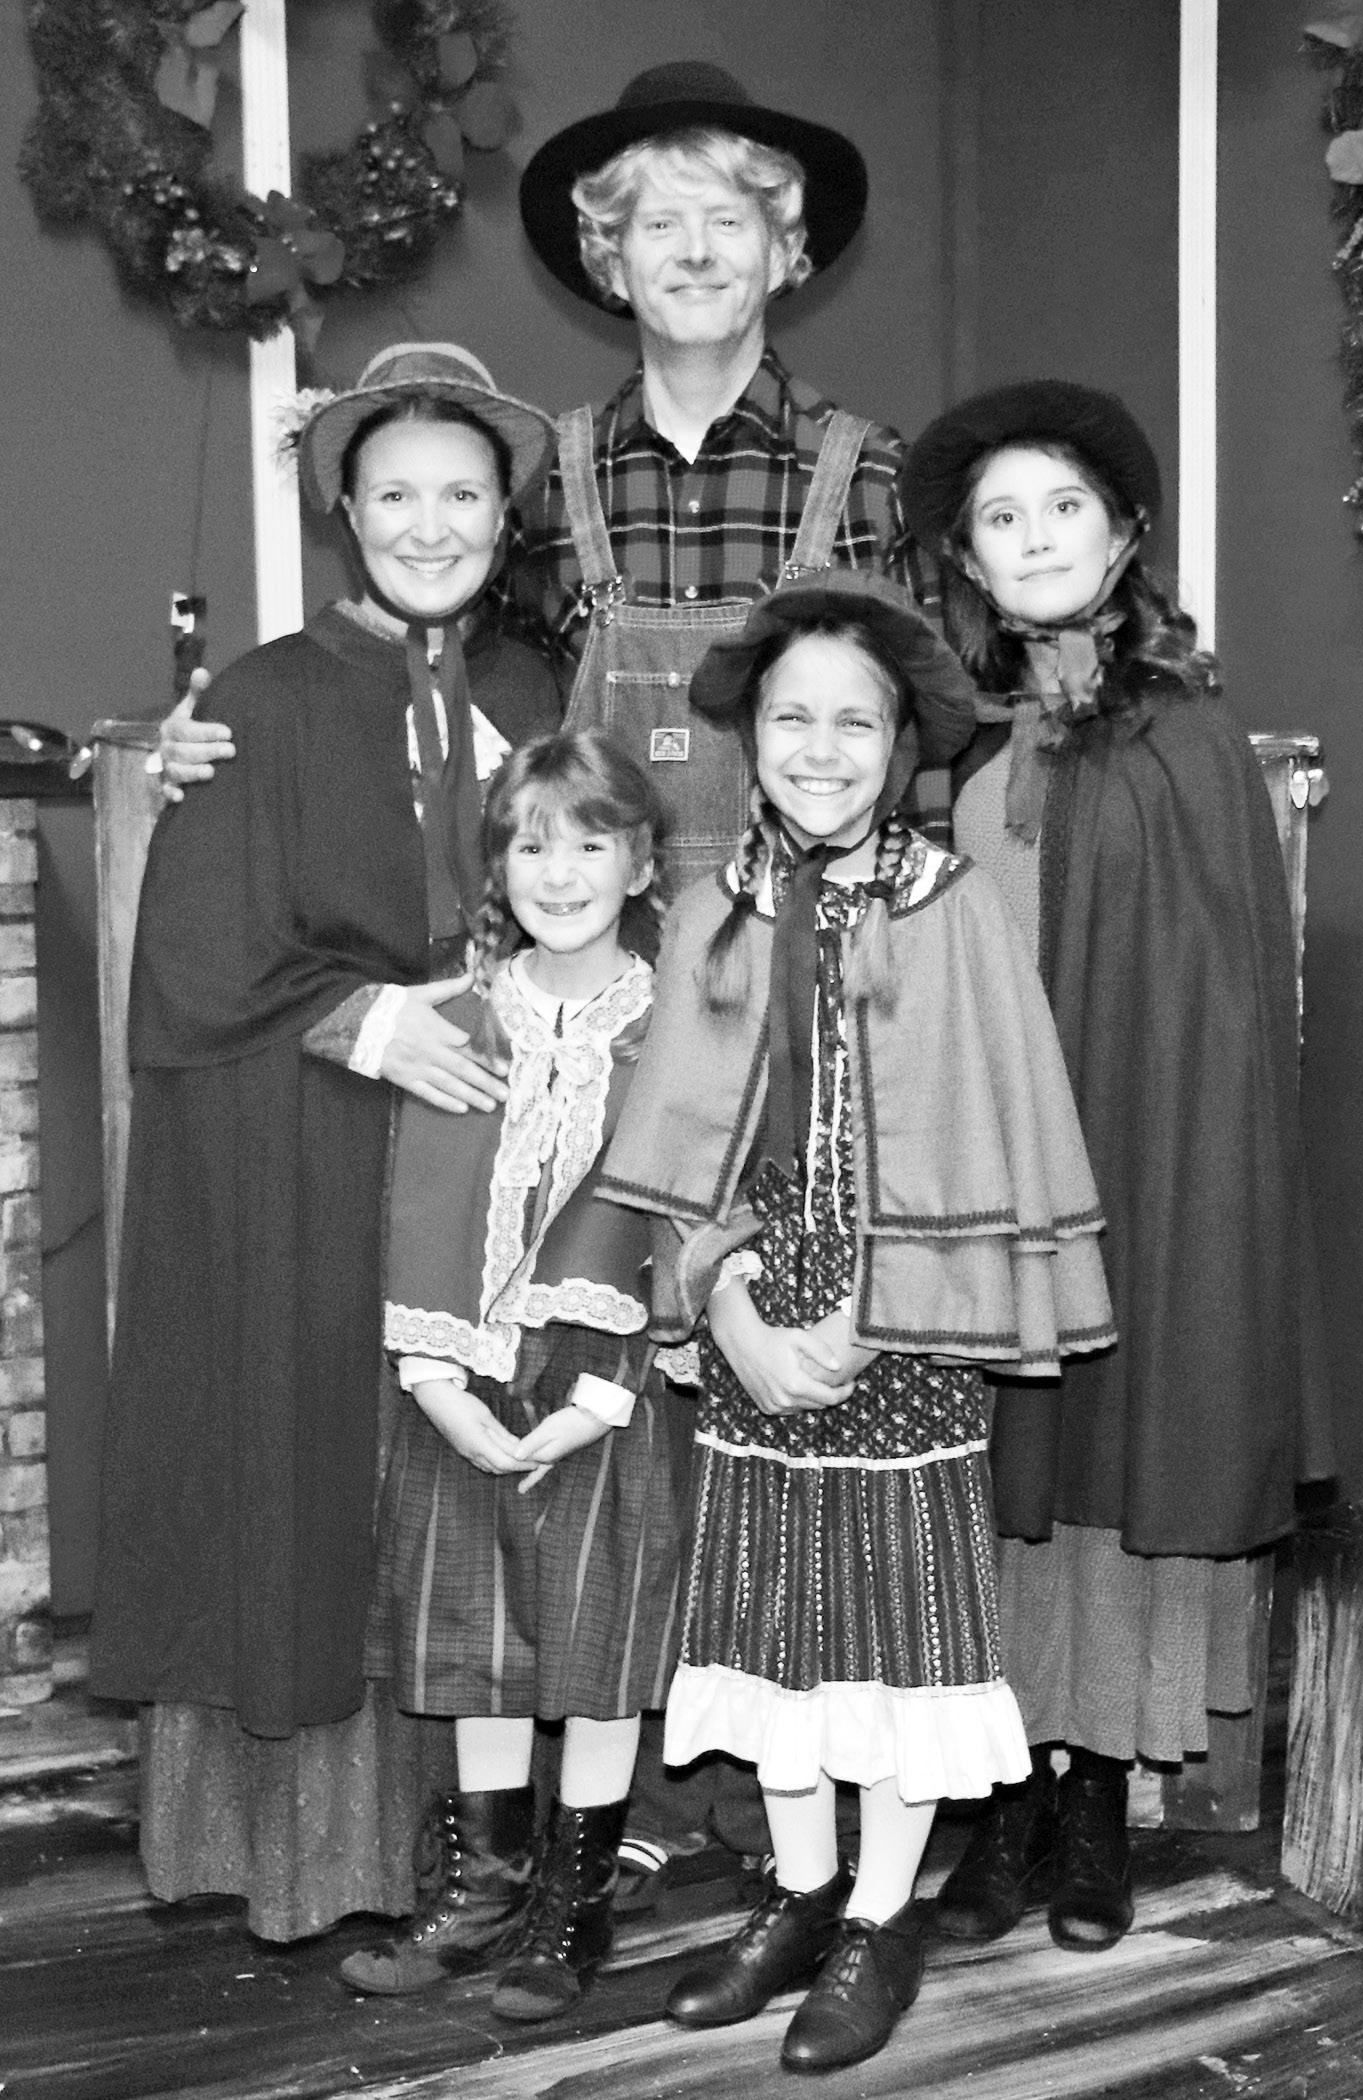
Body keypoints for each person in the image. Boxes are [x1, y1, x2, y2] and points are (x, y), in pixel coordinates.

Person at [155, 55, 923, 1898]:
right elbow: (462, 735)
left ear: (785, 250)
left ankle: (764, 1787)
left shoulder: (872, 471)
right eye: (656, 222)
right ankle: (569, 1807)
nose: (693, 251)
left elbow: (925, 719)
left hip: (793, 982)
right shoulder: (555, 483)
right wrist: (200, 750)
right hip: (582, 1021)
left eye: (727, 220)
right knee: (578, 1391)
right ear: (605, 256)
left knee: (767, 1361)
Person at [599, 569, 1116, 2073]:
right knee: (773, 1619)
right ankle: (801, 1893)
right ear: (751, 734)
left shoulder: (949, 910)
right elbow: (680, 1142)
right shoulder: (714, 911)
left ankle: (883, 1919)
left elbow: (980, 1131)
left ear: (898, 746)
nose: (818, 748)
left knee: (897, 1631)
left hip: (905, 1334)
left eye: (853, 722)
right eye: (791, 717)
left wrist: (868, 1326)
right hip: (757, 1324)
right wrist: (731, 1313)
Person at [87, 343, 560, 1941]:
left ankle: (490, 1842)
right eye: (396, 495)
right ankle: (313, 1855)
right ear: (345, 512)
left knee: (468, 1486)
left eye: (463, 495)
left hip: (489, 1162)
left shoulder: (533, 697)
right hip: (309, 1155)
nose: (432, 525)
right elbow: (196, 953)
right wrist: (363, 1019)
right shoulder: (260, 700)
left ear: (505, 513)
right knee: (315, 1476)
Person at [898, 381, 1333, 1955]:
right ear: (968, 557)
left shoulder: (1188, 737)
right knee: (996, 1485)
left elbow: (1223, 999)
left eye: (1063, 509)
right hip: (983, 1174)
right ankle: (1001, 1805)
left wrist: (1172, 1166)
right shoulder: (948, 741)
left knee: (1110, 1471)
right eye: (1002, 518)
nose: (1035, 539)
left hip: (1138, 1162)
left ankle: (1091, 1809)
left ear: (1125, 534)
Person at [338, 728, 692, 2018]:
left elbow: (687, 1210)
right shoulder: (457, 1016)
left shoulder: (679, 1024)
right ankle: (486, 1888)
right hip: (460, 1370)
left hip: (613, 1382)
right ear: (498, 867)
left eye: (592, 843)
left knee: (597, 1638)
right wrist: (434, 1382)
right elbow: (409, 1194)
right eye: (533, 845)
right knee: (472, 1630)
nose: (561, 872)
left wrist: (607, 1390)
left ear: (641, 862)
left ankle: (573, 1904)